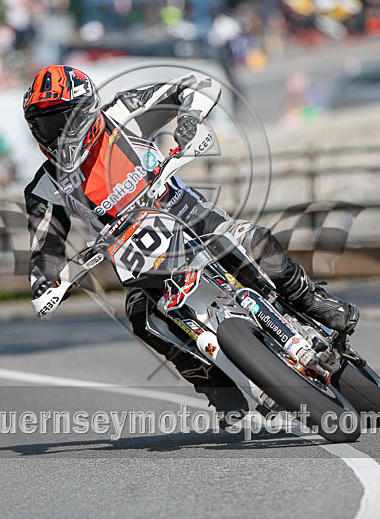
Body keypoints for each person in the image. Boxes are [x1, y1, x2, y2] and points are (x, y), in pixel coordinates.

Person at [22, 65, 359, 418]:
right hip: (139, 260)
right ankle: (215, 381)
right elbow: (44, 245)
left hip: (193, 217)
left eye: (61, 121)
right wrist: (46, 282)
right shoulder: (46, 185)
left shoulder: (123, 115)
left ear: (87, 112)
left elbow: (198, 86)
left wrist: (191, 118)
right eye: (44, 125)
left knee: (253, 240)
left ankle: (311, 299)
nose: (56, 134)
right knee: (142, 317)